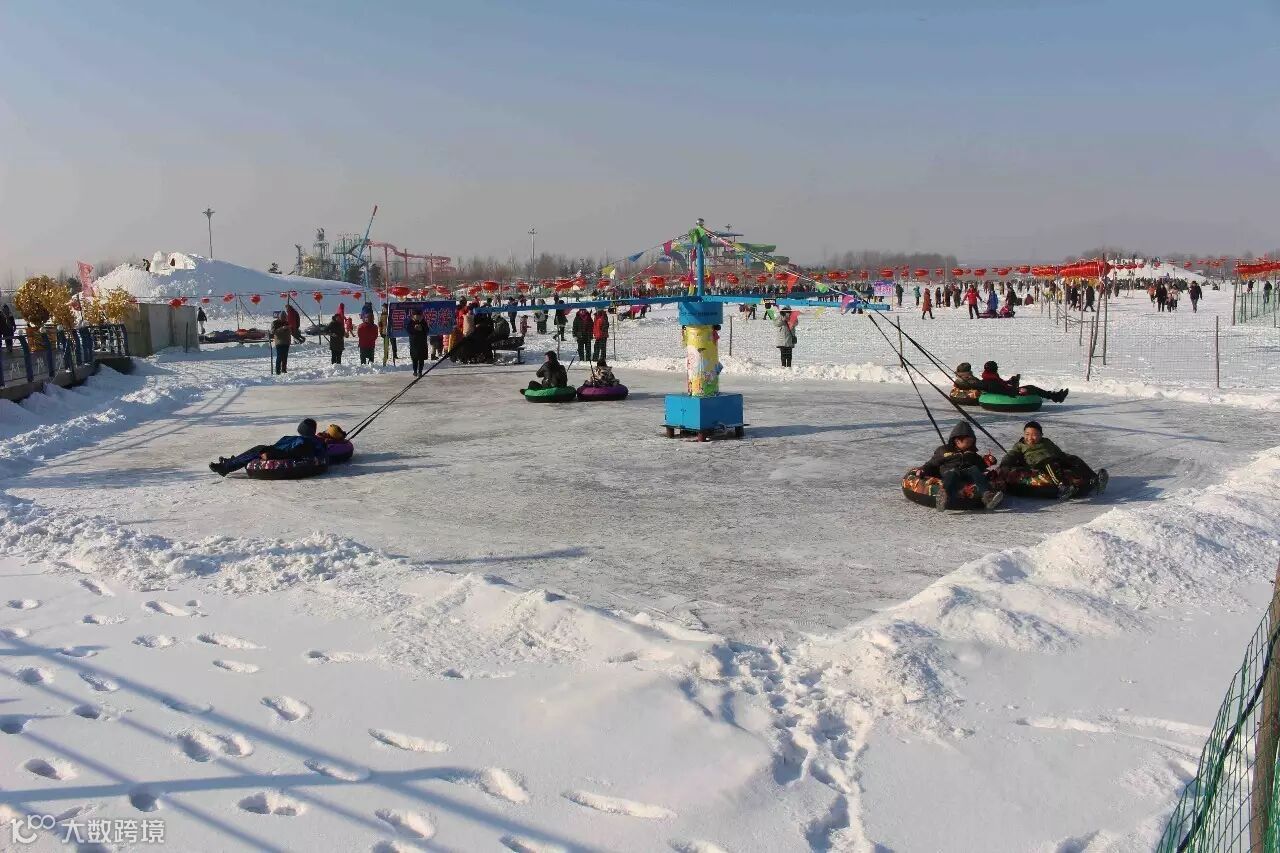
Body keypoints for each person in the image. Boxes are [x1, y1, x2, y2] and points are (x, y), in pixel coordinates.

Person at [998, 420, 1108, 498]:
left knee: (1073, 459)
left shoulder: (1047, 442)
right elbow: (1011, 455)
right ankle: (1062, 487)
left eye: (1034, 435)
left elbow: (1058, 452)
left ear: (1041, 435)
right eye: (1027, 434)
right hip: (1038, 464)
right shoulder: (1021, 445)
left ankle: (1095, 479)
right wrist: (1005, 465)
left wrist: (1067, 459)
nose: (1030, 438)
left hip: (1055, 460)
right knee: (1050, 463)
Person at [920, 421, 1004, 511]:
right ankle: (943, 497)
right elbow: (932, 463)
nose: (970, 444)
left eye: (971, 442)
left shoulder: (971, 453)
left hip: (966, 473)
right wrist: (923, 470)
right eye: (967, 442)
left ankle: (987, 496)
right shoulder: (944, 450)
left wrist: (989, 461)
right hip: (950, 472)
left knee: (974, 469)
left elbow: (981, 465)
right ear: (957, 441)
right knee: (951, 474)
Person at [209, 418, 327, 476]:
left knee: (258, 450)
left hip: (277, 452)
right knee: (258, 448)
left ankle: (226, 467)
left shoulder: (305, 442)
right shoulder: (307, 439)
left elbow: (293, 453)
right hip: (276, 449)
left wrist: (271, 455)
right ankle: (231, 462)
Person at [980, 360, 1068, 403]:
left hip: (1009, 390)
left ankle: (1055, 395)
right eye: (996, 368)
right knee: (1032, 388)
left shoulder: (989, 377)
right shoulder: (992, 379)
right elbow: (1001, 389)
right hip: (1010, 393)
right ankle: (1056, 397)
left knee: (1030, 387)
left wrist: (1010, 381)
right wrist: (1016, 390)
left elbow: (1001, 385)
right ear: (994, 369)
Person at [406, 309, 429, 376]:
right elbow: (408, 330)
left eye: (418, 315)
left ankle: (420, 371)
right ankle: (415, 371)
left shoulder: (423, 322)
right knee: (414, 358)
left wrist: (422, 328)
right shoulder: (411, 322)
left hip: (422, 343)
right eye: (416, 315)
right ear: (413, 316)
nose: (417, 316)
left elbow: (427, 330)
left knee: (421, 358)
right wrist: (414, 329)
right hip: (414, 343)